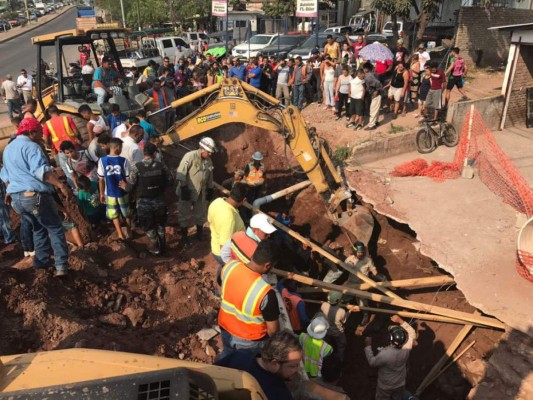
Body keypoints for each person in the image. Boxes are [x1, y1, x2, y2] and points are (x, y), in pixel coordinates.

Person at [0, 118, 70, 276]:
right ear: (31, 132)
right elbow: (41, 172)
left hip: (17, 199)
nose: (41, 136)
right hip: (33, 195)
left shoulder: (9, 148)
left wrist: (8, 191)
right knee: (55, 228)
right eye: (39, 133)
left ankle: (41, 264)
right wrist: (61, 185)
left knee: (38, 229)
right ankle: (61, 266)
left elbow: (5, 175)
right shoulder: (32, 147)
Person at [218, 239, 281, 358]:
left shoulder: (230, 266)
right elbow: (273, 330)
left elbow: (221, 285)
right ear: (267, 265)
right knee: (245, 368)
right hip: (249, 341)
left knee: (227, 357)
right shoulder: (265, 292)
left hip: (226, 328)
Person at [215, 330, 302, 400]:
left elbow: (212, 372)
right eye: (293, 366)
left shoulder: (240, 355)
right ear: (274, 364)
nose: (297, 369)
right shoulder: (278, 393)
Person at [122, 142, 172, 255]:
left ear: (144, 153)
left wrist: (123, 186)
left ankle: (155, 246)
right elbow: (170, 181)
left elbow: (129, 187)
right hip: (159, 201)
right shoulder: (161, 166)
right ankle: (163, 245)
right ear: (154, 154)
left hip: (144, 204)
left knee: (148, 226)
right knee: (160, 224)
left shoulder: (137, 168)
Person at [364, 315, 416, 400]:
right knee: (398, 397)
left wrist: (368, 346)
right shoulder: (407, 346)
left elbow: (372, 362)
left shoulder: (385, 354)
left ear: (391, 338)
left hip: (386, 385)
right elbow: (412, 333)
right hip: (400, 382)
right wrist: (400, 321)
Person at [176, 137, 216, 242]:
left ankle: (199, 234)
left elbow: (210, 175)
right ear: (202, 149)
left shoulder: (208, 160)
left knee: (201, 212)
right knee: (184, 212)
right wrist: (184, 188)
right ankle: (184, 236)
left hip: (200, 191)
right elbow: (181, 172)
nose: (211, 154)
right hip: (187, 190)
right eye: (209, 152)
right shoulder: (190, 156)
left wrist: (210, 188)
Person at [97, 138, 132, 241]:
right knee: (126, 214)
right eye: (121, 147)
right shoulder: (123, 160)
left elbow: (101, 179)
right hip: (122, 192)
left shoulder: (102, 160)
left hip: (110, 193)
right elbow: (128, 178)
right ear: (117, 148)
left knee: (114, 214)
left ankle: (120, 234)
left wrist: (102, 193)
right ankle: (129, 233)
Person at [43, 105, 83, 188]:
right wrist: (79, 140)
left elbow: (46, 139)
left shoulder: (47, 124)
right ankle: (86, 185)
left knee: (69, 172)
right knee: (81, 167)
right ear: (58, 111)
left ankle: (76, 189)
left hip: (62, 152)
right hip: (74, 147)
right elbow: (76, 132)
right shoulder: (67, 118)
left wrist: (49, 146)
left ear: (49, 114)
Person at [208, 183, 246, 268]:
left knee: (222, 267)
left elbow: (210, 220)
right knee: (226, 268)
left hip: (214, 246)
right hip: (222, 254)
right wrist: (230, 264)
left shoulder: (217, 201)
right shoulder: (229, 217)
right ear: (244, 200)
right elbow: (224, 247)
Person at [320, 291, 348, 362]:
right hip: (338, 332)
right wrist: (350, 311)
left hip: (327, 330)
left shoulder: (324, 305)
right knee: (341, 345)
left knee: (326, 343)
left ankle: (325, 356)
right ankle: (340, 360)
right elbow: (344, 321)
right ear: (338, 301)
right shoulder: (342, 311)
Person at [363, 62, 383, 131]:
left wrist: (377, 91)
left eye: (365, 68)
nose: (364, 70)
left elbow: (378, 83)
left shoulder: (368, 76)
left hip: (376, 94)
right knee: (376, 109)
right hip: (376, 94)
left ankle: (371, 125)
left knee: (373, 110)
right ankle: (376, 122)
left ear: (367, 69)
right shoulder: (373, 73)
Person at [0, 168, 16, 246]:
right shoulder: (1, 170)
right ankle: (9, 238)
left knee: (2, 219)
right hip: (1, 197)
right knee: (5, 219)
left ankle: (3, 234)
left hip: (2, 196)